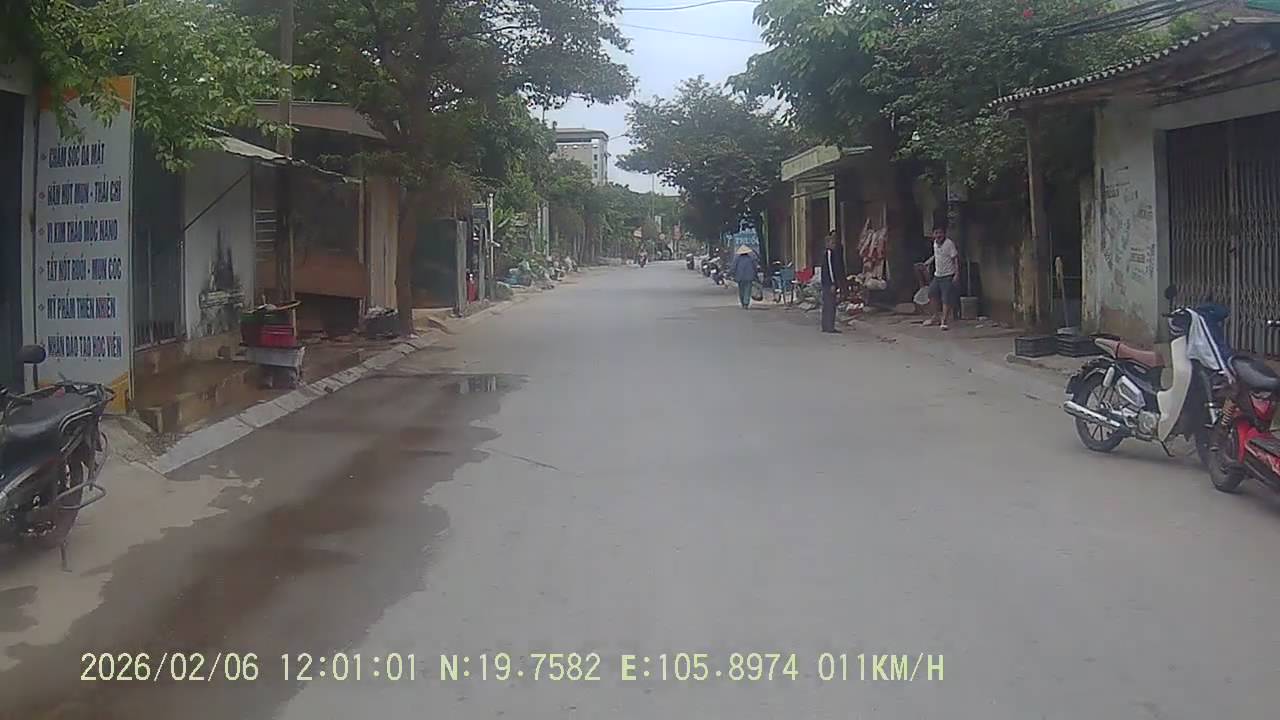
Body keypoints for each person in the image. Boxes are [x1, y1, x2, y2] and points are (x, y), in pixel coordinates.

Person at [922, 227, 960, 330]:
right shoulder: (935, 243)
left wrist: (957, 274)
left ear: (944, 234)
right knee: (931, 293)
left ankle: (944, 321)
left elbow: (955, 259)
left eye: (940, 233)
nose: (938, 235)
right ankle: (935, 317)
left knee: (945, 299)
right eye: (936, 233)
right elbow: (937, 255)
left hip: (948, 275)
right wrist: (929, 261)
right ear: (933, 234)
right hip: (937, 275)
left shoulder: (949, 244)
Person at [820, 231, 846, 333]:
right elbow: (830, 269)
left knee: (827, 304)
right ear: (828, 244)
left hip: (825, 283)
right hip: (828, 283)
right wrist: (833, 283)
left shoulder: (825, 253)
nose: (834, 245)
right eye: (832, 243)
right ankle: (830, 327)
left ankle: (825, 326)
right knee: (830, 305)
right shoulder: (829, 254)